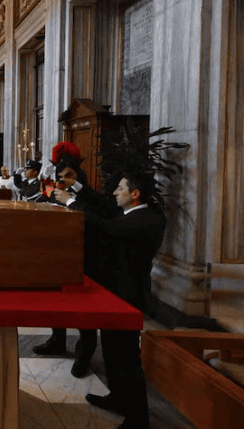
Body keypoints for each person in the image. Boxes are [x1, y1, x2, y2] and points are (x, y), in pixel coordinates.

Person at [58, 172, 165, 429]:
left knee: (127, 358)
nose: (115, 193)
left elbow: (106, 226)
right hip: (113, 292)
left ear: (135, 193)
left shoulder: (147, 220)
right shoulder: (130, 212)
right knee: (111, 350)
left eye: (119, 188)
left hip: (129, 295)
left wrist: (70, 203)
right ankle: (118, 397)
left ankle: (139, 418)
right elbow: (102, 204)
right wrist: (76, 187)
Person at [33, 142, 112, 378]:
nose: (63, 179)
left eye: (70, 175)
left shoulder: (89, 195)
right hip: (60, 253)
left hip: (86, 255)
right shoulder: (55, 191)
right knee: (58, 300)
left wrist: (72, 191)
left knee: (84, 306)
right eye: (61, 175)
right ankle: (57, 339)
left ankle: (84, 352)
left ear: (78, 176)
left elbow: (96, 216)